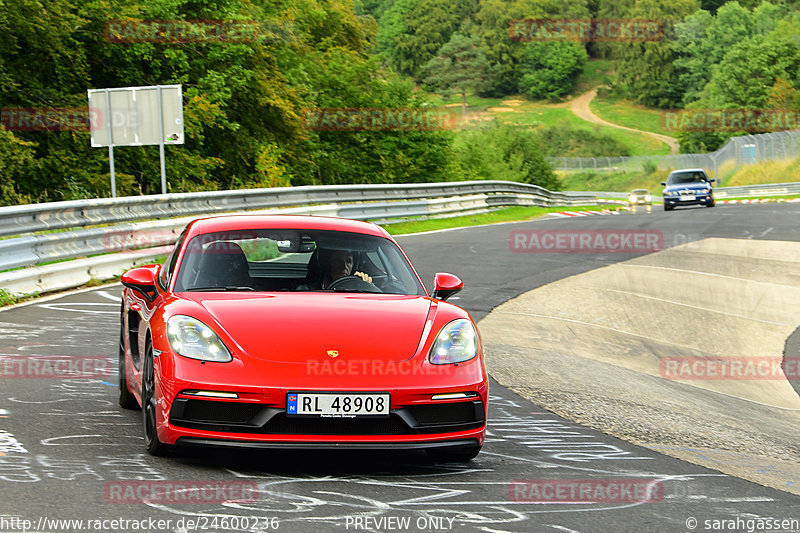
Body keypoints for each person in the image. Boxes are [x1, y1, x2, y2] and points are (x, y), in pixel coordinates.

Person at [299, 248, 373, 290]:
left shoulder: (357, 290)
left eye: (348, 261)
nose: (344, 266)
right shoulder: (307, 291)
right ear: (326, 264)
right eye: (338, 261)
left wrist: (365, 286)